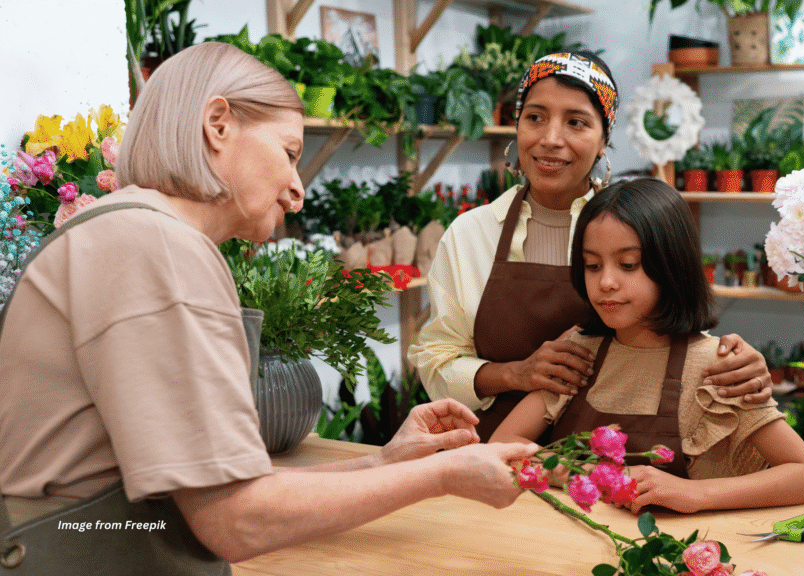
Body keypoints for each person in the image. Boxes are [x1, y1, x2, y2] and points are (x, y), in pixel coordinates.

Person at [0, 43, 537, 572]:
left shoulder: (130, 230)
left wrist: (383, 462)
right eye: (289, 153)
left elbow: (217, 494)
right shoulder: (156, 246)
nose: (297, 191)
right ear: (218, 124)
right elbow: (236, 520)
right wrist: (443, 476)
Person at [407, 51, 774, 440]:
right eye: (535, 118)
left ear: (604, 139)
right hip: (491, 454)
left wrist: (734, 362)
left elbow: (674, 319)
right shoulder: (469, 235)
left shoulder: (635, 225)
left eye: (576, 122)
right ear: (517, 127)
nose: (551, 139)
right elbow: (435, 365)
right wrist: (517, 373)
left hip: (610, 464)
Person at [491, 178, 804, 514]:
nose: (606, 282)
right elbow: (501, 449)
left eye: (628, 265)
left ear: (671, 265)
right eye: (592, 265)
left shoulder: (720, 366)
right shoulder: (580, 350)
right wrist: (584, 474)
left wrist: (695, 493)